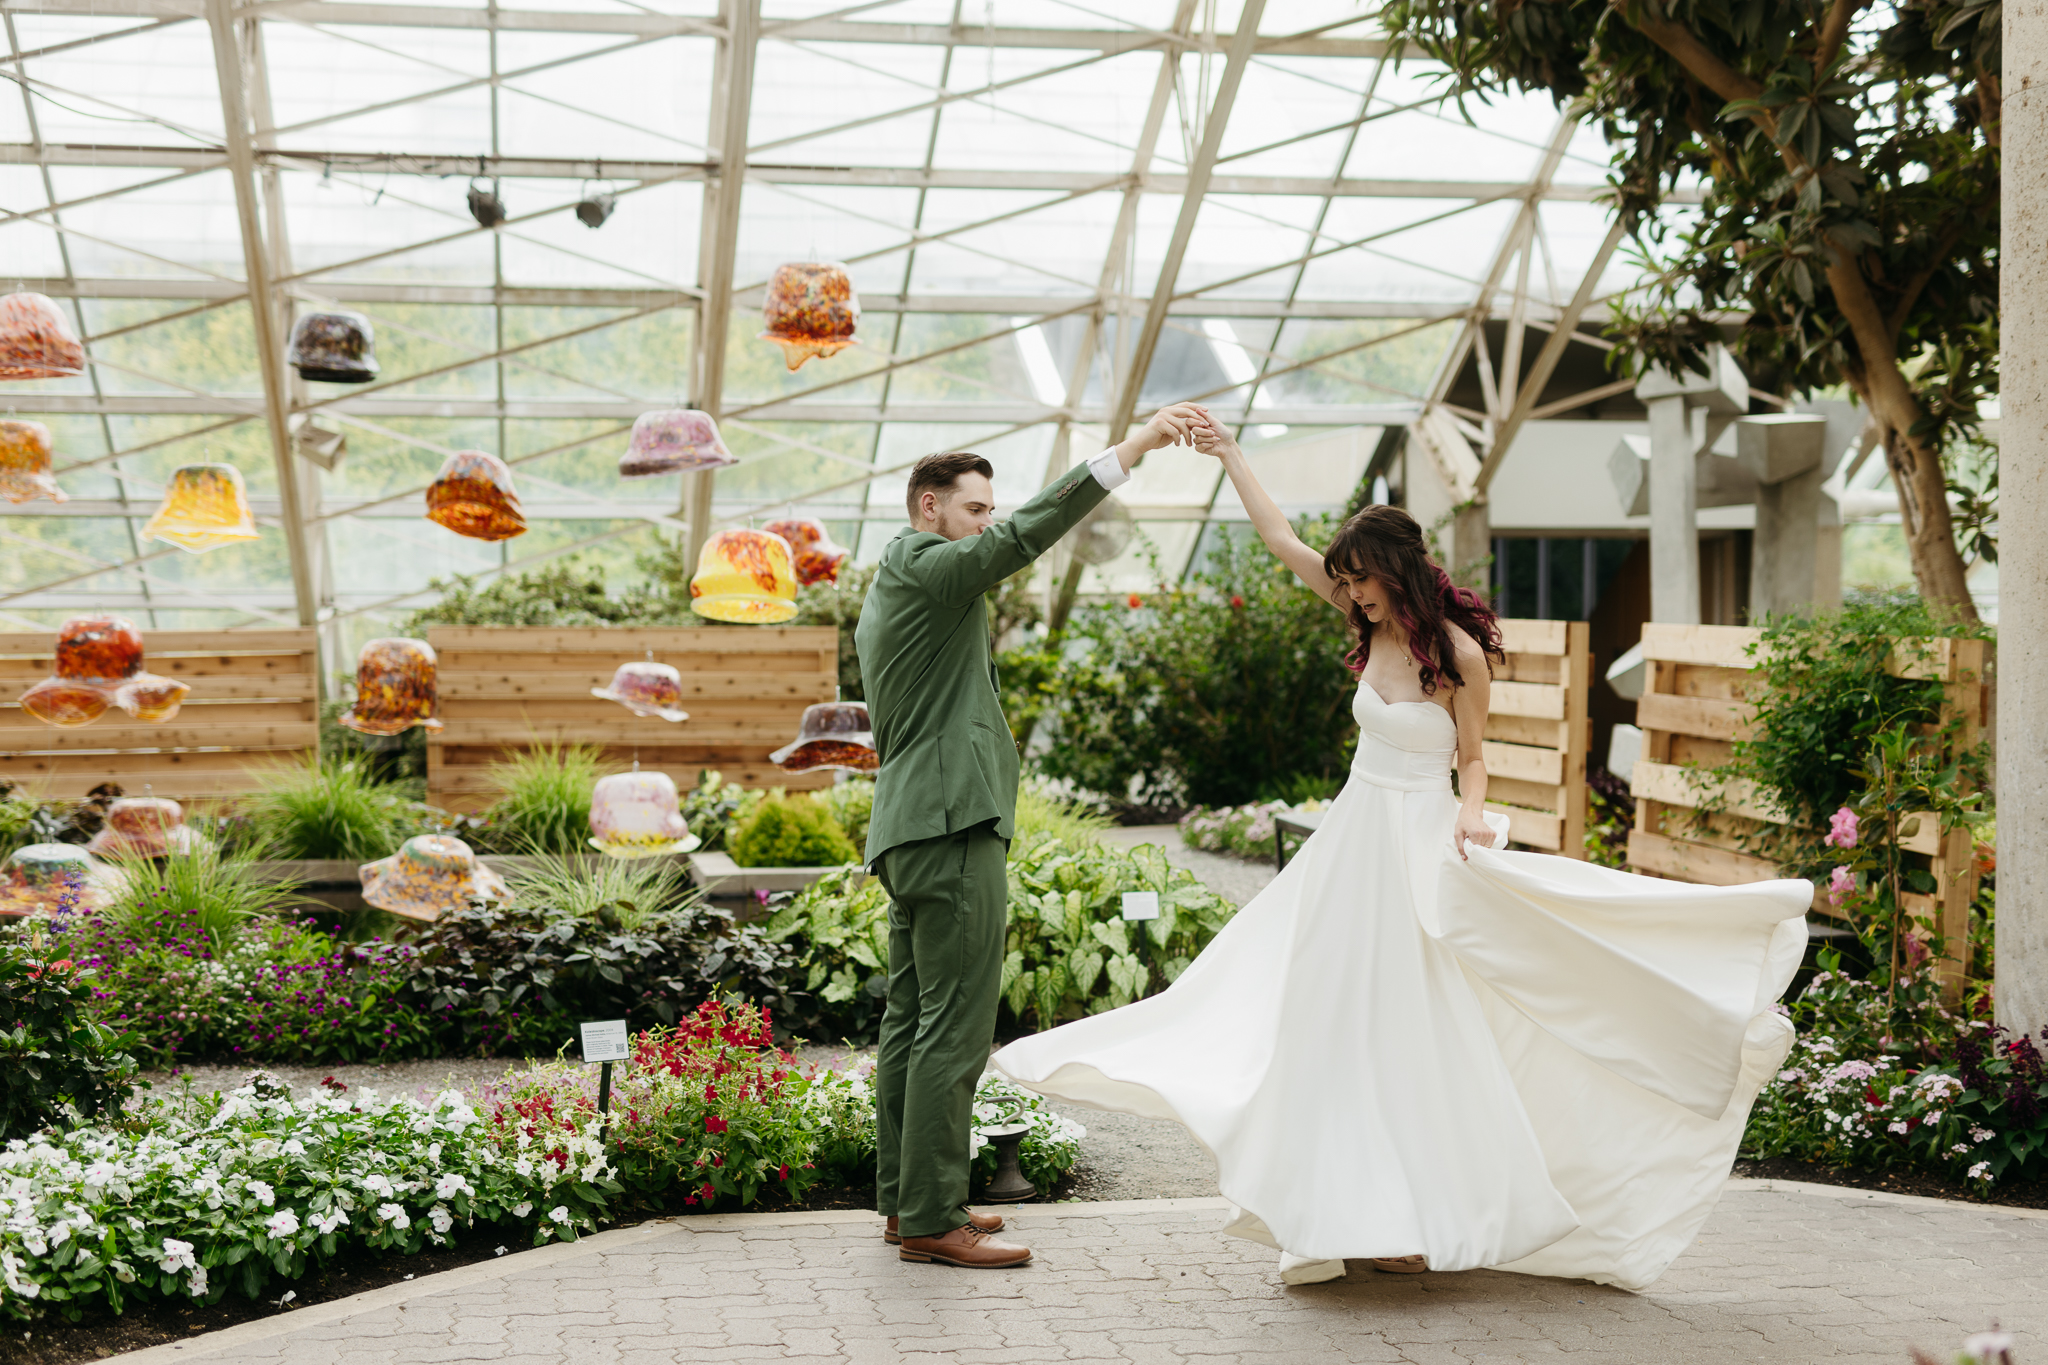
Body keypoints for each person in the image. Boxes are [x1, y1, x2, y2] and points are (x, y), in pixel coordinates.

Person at [991, 411, 1813, 1290]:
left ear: (1396, 572)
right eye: (1343, 581)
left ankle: (1411, 1213)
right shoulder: (1359, 612)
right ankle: (1355, 1210)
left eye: (1362, 581)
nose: (1351, 595)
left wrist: (1471, 812)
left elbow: (1476, 757)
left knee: (1413, 1030)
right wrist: (1230, 453)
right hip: (1354, 842)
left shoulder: (1457, 654)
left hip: (1420, 843)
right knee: (1329, 1019)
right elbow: (1278, 536)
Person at [856, 402, 1211, 1270]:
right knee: (956, 1023)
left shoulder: (900, 582)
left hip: (913, 826)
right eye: (974, 507)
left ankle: (910, 1205)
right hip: (950, 822)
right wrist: (1128, 451)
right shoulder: (928, 564)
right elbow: (1019, 542)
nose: (988, 522)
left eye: (987, 507)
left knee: (912, 1019)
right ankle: (935, 1215)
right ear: (928, 506)